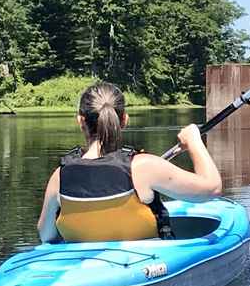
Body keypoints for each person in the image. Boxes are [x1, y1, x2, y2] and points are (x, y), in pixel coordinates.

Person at [36, 82, 222, 243]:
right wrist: (194, 141)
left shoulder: (60, 176)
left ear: (80, 121)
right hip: (146, 265)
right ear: (124, 120)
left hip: (86, 269)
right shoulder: (143, 167)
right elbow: (212, 189)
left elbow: (46, 235)